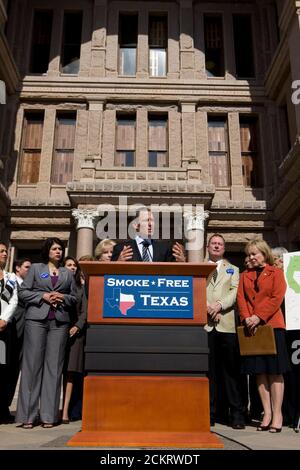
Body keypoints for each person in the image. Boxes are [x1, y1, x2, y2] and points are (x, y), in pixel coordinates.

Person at [16, 238, 77, 428]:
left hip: (59, 323)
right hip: (36, 321)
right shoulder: (35, 268)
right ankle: (28, 416)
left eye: (60, 249)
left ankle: (48, 416)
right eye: (54, 249)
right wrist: (42, 296)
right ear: (47, 251)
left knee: (54, 369)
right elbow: (23, 292)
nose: (58, 251)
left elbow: (74, 297)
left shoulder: (67, 273)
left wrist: (63, 297)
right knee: (32, 367)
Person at [237, 238, 290, 433]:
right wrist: (247, 319)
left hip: (272, 326)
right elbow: (241, 299)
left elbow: (277, 297)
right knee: (259, 372)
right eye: (248, 254)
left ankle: (277, 414)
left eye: (254, 253)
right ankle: (266, 413)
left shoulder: (276, 273)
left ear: (264, 253)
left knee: (275, 372)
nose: (251, 257)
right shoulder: (244, 276)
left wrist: (258, 316)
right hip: (252, 328)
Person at [205, 234, 245, 429]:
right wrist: (207, 307)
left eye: (220, 244)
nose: (217, 246)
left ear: (224, 248)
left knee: (230, 372)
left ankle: (236, 414)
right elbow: (196, 288)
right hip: (205, 324)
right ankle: (210, 414)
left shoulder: (233, 269)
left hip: (226, 325)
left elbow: (234, 293)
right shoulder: (200, 267)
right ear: (207, 246)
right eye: (213, 243)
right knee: (209, 372)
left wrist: (218, 305)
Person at [61, 256, 87, 424]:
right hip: (56, 330)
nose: (72, 268)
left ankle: (65, 412)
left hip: (74, 334)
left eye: (74, 266)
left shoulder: (80, 288)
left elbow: (85, 311)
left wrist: (77, 326)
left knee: (70, 374)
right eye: (69, 265)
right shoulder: (55, 284)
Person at [111, 208, 186, 262]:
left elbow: (174, 274)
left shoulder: (165, 248)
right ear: (135, 225)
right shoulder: (121, 248)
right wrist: (118, 262)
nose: (150, 224)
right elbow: (110, 276)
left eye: (152, 220)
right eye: (146, 220)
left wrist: (182, 262)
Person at [7, 258, 31, 408]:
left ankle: (5, 406)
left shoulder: (30, 286)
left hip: (24, 334)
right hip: (10, 331)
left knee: (14, 370)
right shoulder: (10, 281)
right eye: (27, 267)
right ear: (17, 268)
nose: (30, 270)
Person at [0, 242, 18, 424]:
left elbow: (13, 300)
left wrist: (4, 319)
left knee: (3, 369)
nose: (5, 254)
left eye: (6, 251)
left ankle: (2, 408)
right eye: (2, 251)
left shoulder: (11, 278)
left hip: (4, 328)